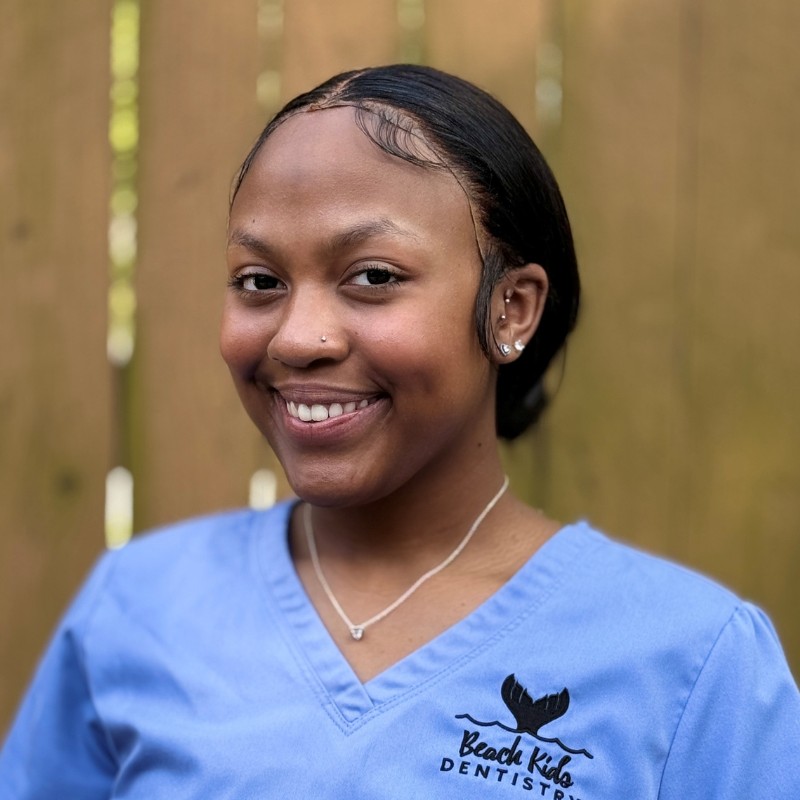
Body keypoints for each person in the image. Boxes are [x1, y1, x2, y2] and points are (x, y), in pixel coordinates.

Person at [1, 64, 798, 798]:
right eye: (260, 282)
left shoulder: (692, 661)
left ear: (510, 308)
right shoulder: (138, 608)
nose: (297, 337)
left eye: (373, 277)